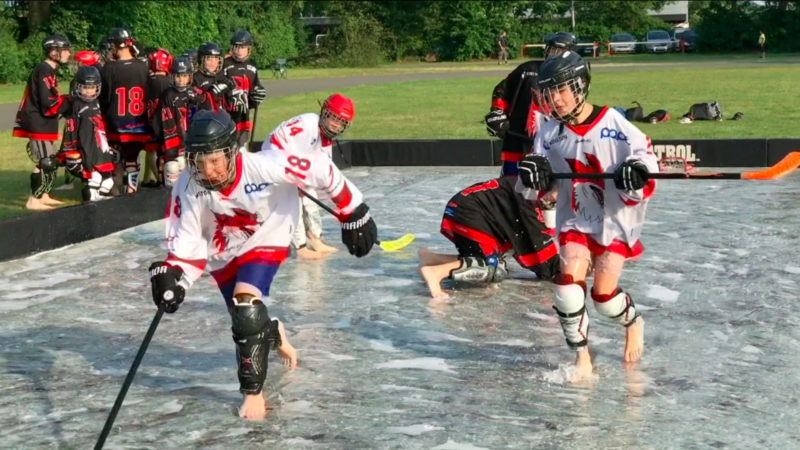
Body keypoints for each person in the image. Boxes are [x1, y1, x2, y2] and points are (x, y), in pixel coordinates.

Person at [150, 109, 378, 420]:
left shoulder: (266, 164)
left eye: (215, 160)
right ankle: (272, 332)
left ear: (233, 151)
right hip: (223, 248)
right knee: (244, 323)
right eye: (199, 162)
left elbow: (321, 170)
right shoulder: (188, 186)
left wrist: (353, 211)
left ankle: (253, 394)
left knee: (246, 305)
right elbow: (187, 241)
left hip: (269, 231)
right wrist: (175, 277)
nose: (209, 171)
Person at [518, 51, 658, 381]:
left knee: (604, 298)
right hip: (575, 220)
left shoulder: (614, 125)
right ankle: (582, 355)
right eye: (550, 92)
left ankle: (633, 321)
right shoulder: (549, 133)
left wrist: (636, 173)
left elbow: (645, 158)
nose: (555, 99)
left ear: (581, 87)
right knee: (567, 288)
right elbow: (540, 185)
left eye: (562, 89)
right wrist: (535, 177)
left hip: (613, 220)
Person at [418, 175, 559, 299]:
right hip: (470, 212)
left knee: (492, 261)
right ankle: (435, 273)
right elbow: (543, 261)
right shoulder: (533, 201)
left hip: (464, 207)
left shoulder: (532, 185)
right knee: (493, 267)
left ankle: (433, 258)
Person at [262, 94, 356, 259]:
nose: (336, 124)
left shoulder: (326, 139)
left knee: (311, 197)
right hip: (276, 159)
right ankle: (299, 246)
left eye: (341, 122)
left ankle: (315, 239)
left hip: (297, 165)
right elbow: (277, 140)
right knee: (293, 201)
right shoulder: (307, 123)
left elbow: (324, 171)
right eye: (333, 118)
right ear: (324, 113)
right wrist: (290, 176)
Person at [485, 31, 576, 177]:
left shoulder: (573, 77)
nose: (555, 54)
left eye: (560, 51)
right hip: (519, 145)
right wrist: (498, 112)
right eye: (553, 50)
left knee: (552, 191)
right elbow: (502, 90)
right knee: (512, 187)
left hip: (557, 146)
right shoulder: (528, 70)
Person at [12, 34, 72, 210]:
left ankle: (44, 195)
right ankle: (34, 199)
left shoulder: (49, 70)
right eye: (65, 50)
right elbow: (48, 102)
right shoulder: (44, 70)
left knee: (50, 159)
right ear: (54, 51)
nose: (68, 53)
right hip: (39, 121)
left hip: (45, 122)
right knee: (46, 161)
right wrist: (69, 101)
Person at [100, 27, 150, 194]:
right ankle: (132, 190)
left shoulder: (109, 68)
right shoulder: (143, 66)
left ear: (116, 45)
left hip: (116, 122)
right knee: (131, 160)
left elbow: (104, 97)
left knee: (115, 158)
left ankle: (116, 189)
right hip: (138, 123)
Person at [55, 65, 116, 201]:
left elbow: (98, 131)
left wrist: (107, 149)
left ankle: (98, 196)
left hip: (97, 149)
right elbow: (78, 134)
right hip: (83, 151)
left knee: (108, 182)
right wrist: (76, 155)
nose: (88, 92)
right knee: (95, 177)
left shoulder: (96, 103)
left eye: (92, 87)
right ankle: (91, 201)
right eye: (85, 87)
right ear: (78, 87)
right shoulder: (76, 105)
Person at [154, 56, 197, 187]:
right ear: (172, 76)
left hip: (190, 140)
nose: (181, 80)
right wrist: (170, 146)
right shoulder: (168, 95)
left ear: (190, 77)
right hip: (173, 140)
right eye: (178, 76)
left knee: (187, 168)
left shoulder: (194, 94)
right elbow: (164, 123)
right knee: (172, 166)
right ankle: (170, 200)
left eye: (184, 76)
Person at [222, 30, 268, 150]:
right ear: (232, 48)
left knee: (241, 150)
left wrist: (257, 96)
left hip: (243, 115)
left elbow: (255, 89)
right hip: (226, 114)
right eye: (237, 47)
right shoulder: (224, 65)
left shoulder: (252, 67)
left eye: (243, 47)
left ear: (249, 49)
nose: (239, 51)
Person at [143, 48, 175, 186]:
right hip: (163, 121)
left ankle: (148, 178)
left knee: (150, 150)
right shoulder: (169, 82)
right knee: (162, 153)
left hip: (148, 118)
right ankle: (160, 179)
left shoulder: (147, 79)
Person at [193, 42, 235, 112]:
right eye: (209, 59)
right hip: (203, 118)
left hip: (221, 117)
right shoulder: (196, 78)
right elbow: (195, 100)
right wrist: (211, 94)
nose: (213, 63)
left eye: (216, 59)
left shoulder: (220, 75)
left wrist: (229, 91)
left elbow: (231, 84)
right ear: (201, 59)